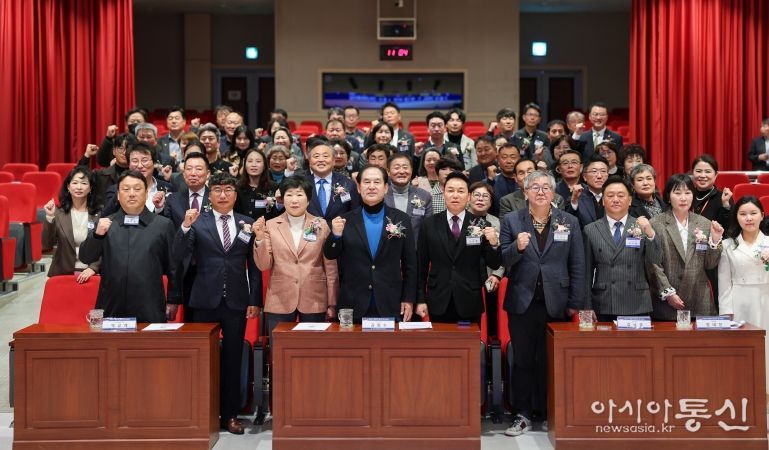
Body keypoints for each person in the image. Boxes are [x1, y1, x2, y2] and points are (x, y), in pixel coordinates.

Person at [173, 172, 260, 435]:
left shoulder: (248, 223)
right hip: (204, 300)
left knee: (233, 360)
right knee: (203, 359)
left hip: (236, 301)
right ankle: (203, 413)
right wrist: (185, 227)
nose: (223, 195)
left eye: (228, 190)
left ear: (236, 194)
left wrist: (254, 299)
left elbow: (254, 268)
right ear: (209, 195)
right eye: (218, 190)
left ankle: (230, 414)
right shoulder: (198, 222)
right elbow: (177, 257)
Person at [500, 170, 584, 436]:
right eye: (533, 187)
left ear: (553, 193)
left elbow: (578, 263)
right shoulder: (512, 220)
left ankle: (550, 412)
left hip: (556, 303)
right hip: (522, 302)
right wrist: (517, 247)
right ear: (525, 193)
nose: (539, 191)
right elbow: (501, 258)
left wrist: (575, 301)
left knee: (552, 361)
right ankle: (522, 414)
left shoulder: (568, 221)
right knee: (523, 360)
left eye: (545, 187)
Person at [79, 170, 180, 322]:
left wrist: (173, 300)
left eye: (137, 189)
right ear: (118, 196)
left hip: (149, 305)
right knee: (111, 346)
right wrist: (97, 235)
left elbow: (174, 266)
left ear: (146, 194)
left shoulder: (163, 225)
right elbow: (86, 257)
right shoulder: (106, 224)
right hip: (111, 304)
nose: (131, 194)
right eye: (126, 189)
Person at [323, 165, 416, 322]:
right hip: (353, 303)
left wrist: (408, 298)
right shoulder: (346, 220)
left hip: (390, 301)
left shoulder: (401, 219)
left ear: (386, 187)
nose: (371, 187)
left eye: (377, 182)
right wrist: (336, 236)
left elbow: (410, 265)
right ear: (359, 188)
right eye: (366, 182)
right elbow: (330, 254)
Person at [253, 176, 338, 341]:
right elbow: (264, 265)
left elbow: (331, 266)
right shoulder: (270, 225)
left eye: (299, 195)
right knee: (279, 353)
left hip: (314, 298)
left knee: (312, 351)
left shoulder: (321, 224)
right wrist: (259, 238)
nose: (294, 200)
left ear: (308, 199)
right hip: (279, 298)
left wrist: (332, 302)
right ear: (282, 199)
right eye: (289, 195)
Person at [416, 170, 501, 323]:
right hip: (438, 298)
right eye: (450, 190)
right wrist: (421, 299)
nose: (455, 195)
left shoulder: (481, 224)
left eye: (460, 191)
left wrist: (494, 244)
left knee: (468, 346)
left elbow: (494, 263)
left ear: (468, 196)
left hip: (470, 299)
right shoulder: (428, 224)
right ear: (443, 194)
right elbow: (421, 267)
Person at [583, 176, 661, 321]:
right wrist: (587, 306)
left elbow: (656, 260)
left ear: (630, 200)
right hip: (604, 302)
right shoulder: (591, 229)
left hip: (637, 302)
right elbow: (586, 272)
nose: (616, 199)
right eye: (610, 195)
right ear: (603, 201)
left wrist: (650, 234)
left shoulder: (643, 226)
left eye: (621, 195)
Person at [647, 174, 724, 320]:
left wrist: (715, 240)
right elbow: (653, 263)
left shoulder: (705, 224)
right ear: (668, 197)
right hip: (666, 303)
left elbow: (710, 264)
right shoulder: (656, 223)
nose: (683, 198)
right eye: (677, 193)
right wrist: (668, 293)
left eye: (688, 193)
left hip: (699, 300)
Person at [718, 196, 769, 386]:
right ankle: (744, 391)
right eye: (743, 214)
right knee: (743, 346)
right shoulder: (728, 245)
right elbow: (724, 281)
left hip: (766, 299)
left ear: (762, 216)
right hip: (740, 301)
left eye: (753, 213)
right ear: (736, 217)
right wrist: (726, 311)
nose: (749, 218)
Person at [42, 167, 101, 281]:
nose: (79, 187)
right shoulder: (59, 213)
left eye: (84, 183)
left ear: (91, 188)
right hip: (63, 273)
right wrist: (50, 217)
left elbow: (106, 247)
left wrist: (94, 268)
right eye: (75, 183)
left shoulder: (100, 214)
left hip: (92, 274)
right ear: (68, 187)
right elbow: (46, 244)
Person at [467, 182, 506, 335]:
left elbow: (502, 250)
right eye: (477, 195)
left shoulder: (496, 222)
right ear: (469, 198)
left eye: (485, 196)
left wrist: (497, 274)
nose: (480, 199)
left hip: (490, 273)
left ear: (490, 202)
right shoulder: (461, 219)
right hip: (467, 275)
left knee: (491, 315)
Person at [101, 142, 175, 216]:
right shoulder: (115, 190)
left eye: (144, 160)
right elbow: (105, 216)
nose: (139, 166)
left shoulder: (168, 188)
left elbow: (171, 218)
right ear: (128, 165)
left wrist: (159, 209)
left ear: (154, 163)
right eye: (135, 161)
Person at [305, 141, 360, 223]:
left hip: (340, 233)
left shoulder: (348, 184)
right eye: (316, 156)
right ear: (309, 161)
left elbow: (355, 214)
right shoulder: (301, 184)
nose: (321, 160)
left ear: (334, 160)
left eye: (325, 156)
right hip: (308, 233)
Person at [385, 153, 433, 244]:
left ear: (411, 170)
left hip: (415, 251)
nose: (402, 171)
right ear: (388, 172)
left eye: (405, 167)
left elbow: (428, 228)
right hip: (387, 251)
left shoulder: (424, 196)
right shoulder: (381, 196)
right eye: (397, 168)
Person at [499, 158, 565, 219]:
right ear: (515, 178)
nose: (526, 176)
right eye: (521, 173)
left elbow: (561, 225)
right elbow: (506, 228)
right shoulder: (507, 201)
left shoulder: (556, 199)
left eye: (530, 172)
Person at [163, 152, 211, 228]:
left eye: (198, 169)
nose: (193, 173)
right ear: (184, 174)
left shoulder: (216, 199)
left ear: (208, 174)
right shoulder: (172, 200)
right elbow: (166, 230)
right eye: (189, 169)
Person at [235, 148, 280, 221]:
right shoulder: (237, 187)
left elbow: (278, 214)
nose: (254, 165)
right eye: (250, 161)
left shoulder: (274, 187)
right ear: (245, 165)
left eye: (258, 161)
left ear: (264, 165)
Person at [566, 154, 609, 228]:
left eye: (603, 171)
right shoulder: (576, 198)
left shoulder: (615, 197)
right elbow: (568, 223)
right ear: (584, 177)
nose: (599, 176)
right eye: (594, 171)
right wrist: (574, 202)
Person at [691, 154, 733, 226]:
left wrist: (726, 207)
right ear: (692, 173)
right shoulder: (686, 196)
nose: (703, 175)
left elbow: (729, 228)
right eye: (698, 171)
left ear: (716, 175)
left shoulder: (724, 198)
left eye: (707, 172)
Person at [488, 143, 522, 216]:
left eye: (513, 157)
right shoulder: (491, 182)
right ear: (498, 160)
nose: (509, 161)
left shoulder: (526, 182)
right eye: (504, 157)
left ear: (519, 159)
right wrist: (489, 181)